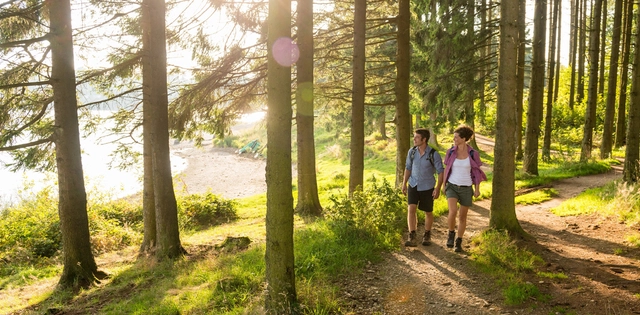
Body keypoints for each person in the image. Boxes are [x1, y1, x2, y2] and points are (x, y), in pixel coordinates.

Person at [437, 125, 487, 252]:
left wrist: (477, 189)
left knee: (462, 217)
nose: (454, 139)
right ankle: (451, 234)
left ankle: (458, 241)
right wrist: (444, 185)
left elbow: (476, 172)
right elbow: (446, 169)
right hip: (452, 186)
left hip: (466, 187)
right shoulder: (451, 152)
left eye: (456, 137)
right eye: (454, 137)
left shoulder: (473, 153)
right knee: (452, 211)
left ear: (464, 138)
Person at [402, 128, 444, 247]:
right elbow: (408, 167)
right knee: (411, 209)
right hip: (413, 184)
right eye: (414, 137)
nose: (414, 139)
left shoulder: (433, 154)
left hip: (427, 186)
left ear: (424, 139)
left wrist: (438, 188)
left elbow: (441, 171)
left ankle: (427, 234)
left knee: (428, 212)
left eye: (416, 137)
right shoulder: (412, 152)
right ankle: (412, 234)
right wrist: (404, 183)